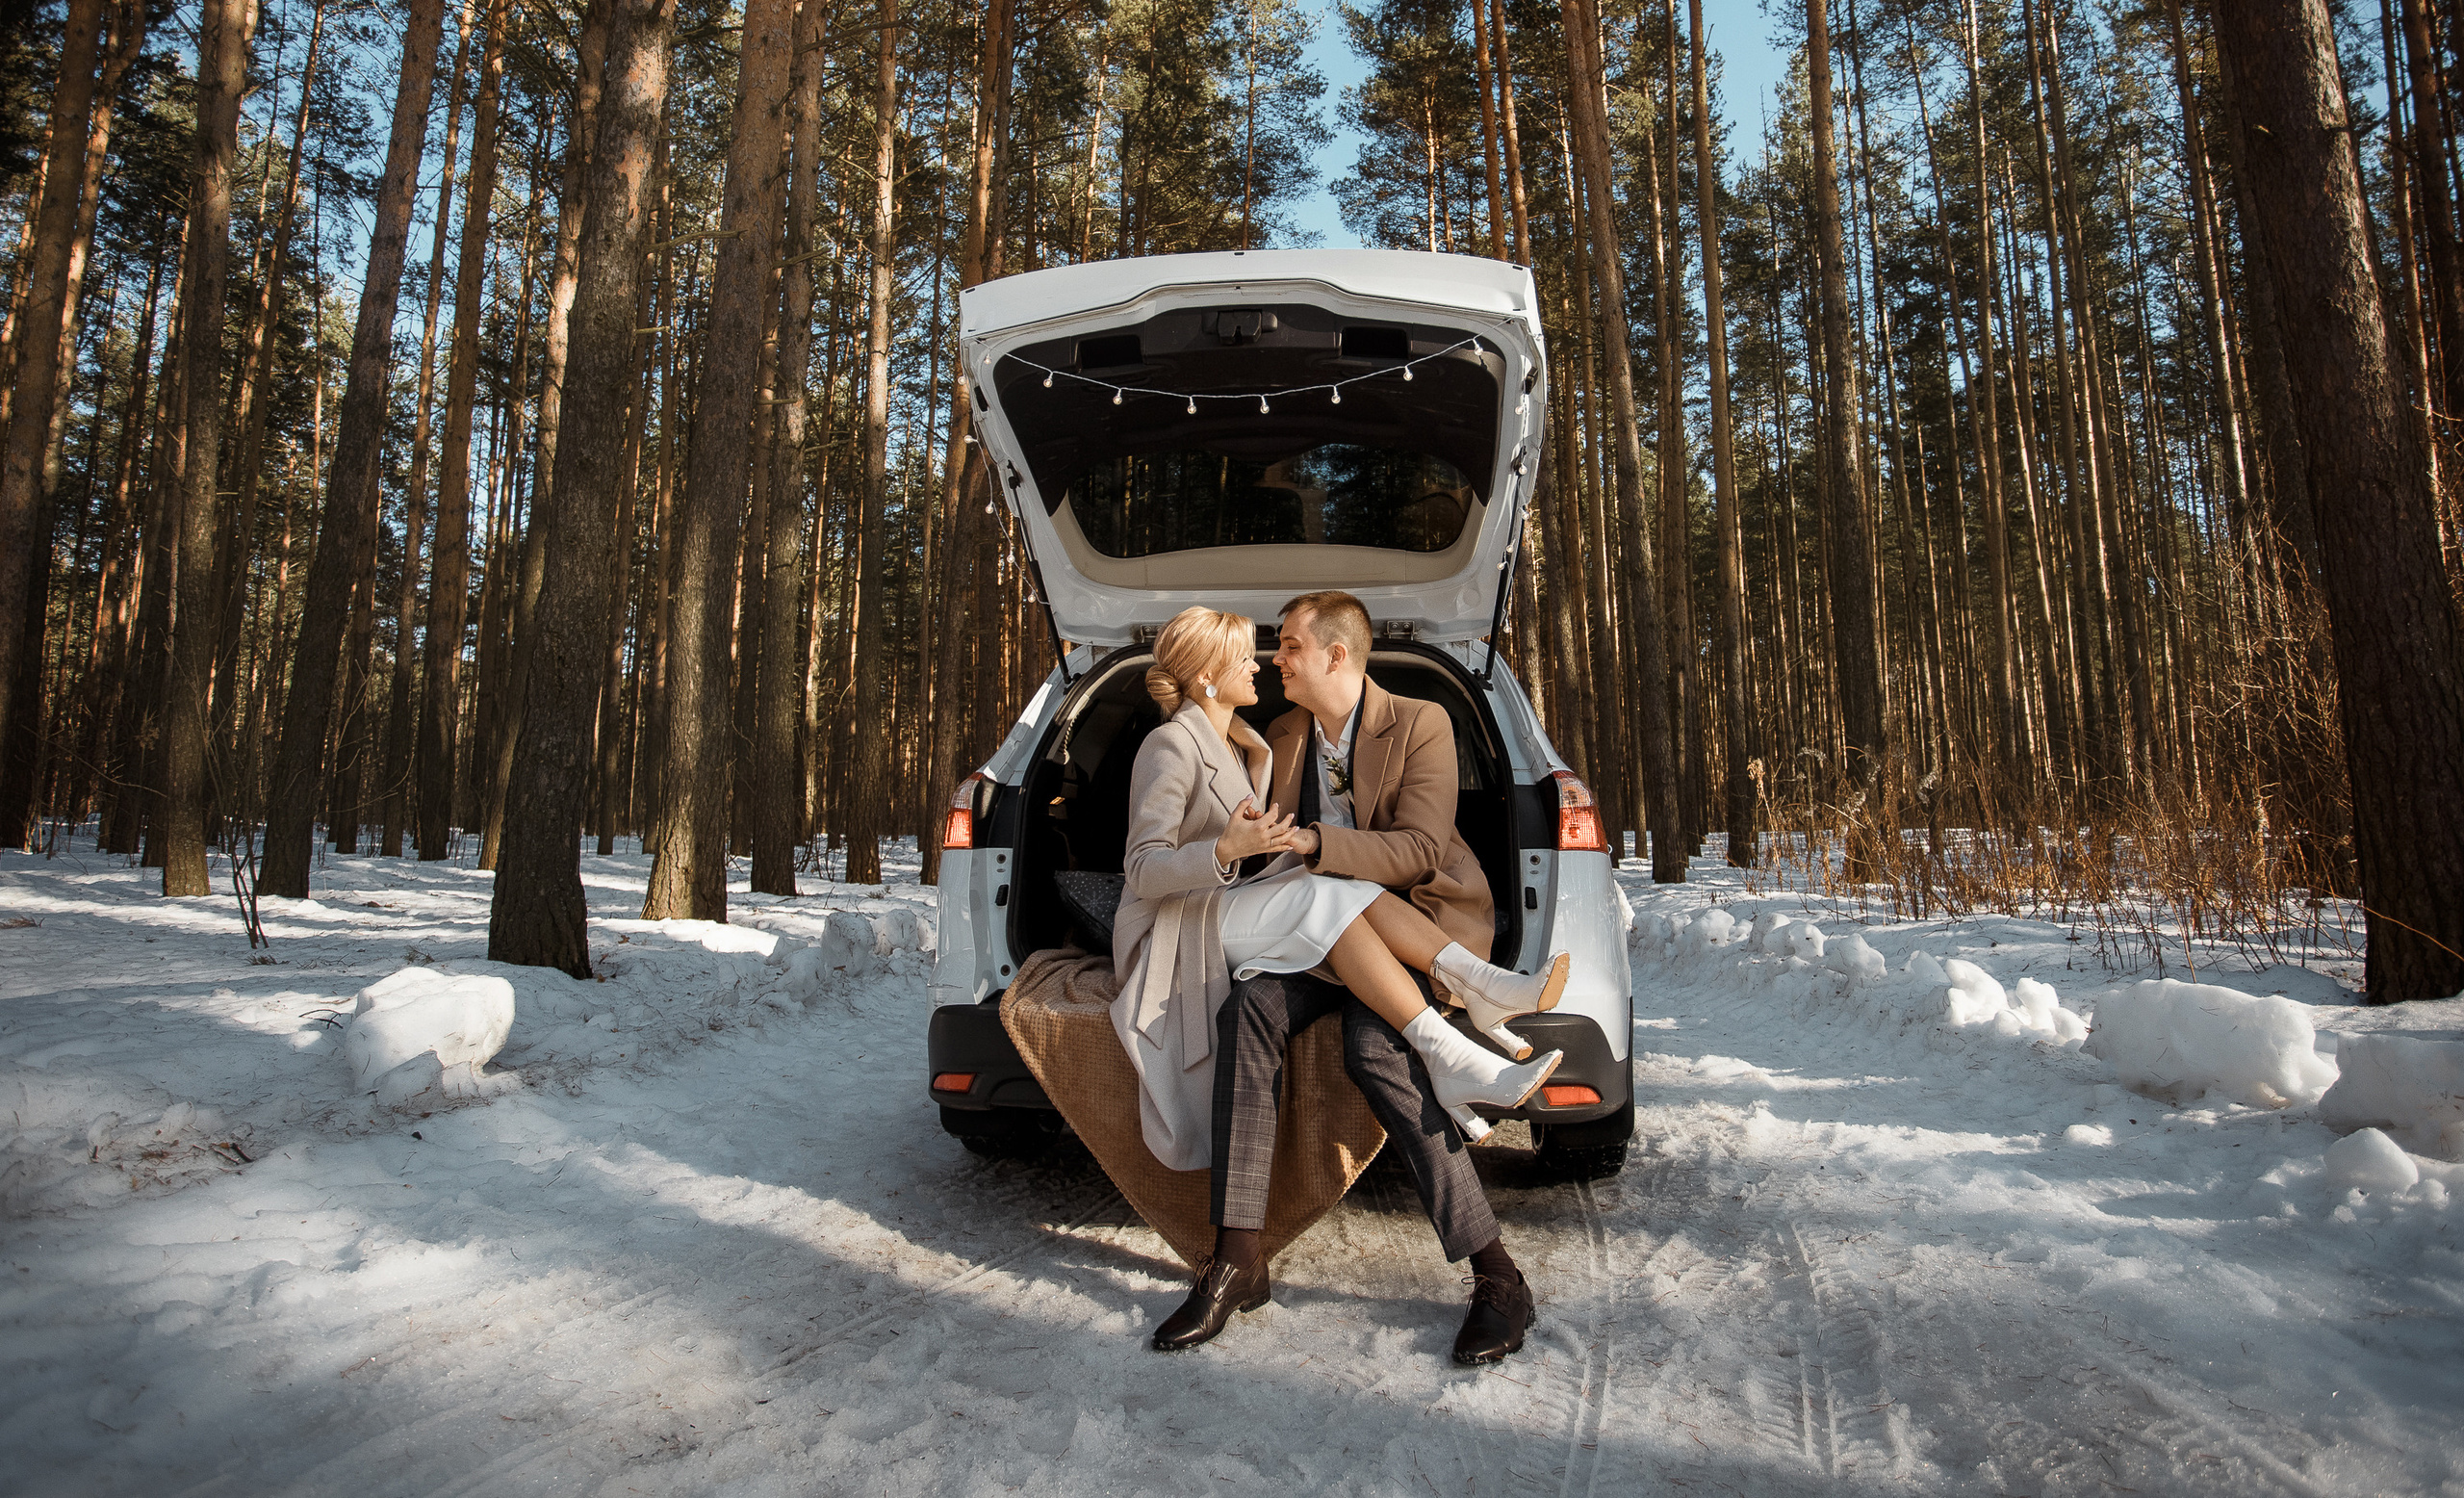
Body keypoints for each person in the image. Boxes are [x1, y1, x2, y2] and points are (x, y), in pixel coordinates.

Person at [1144, 591, 1574, 1365]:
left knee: (1376, 1050)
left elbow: (1416, 852)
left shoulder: (1421, 722)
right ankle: (1237, 1255)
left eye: (1291, 648)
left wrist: (1311, 842)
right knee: (1247, 1012)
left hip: (1415, 929)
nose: (1277, 660)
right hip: (1316, 936)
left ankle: (1498, 1276)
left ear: (1336, 656)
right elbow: (1257, 851)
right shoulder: (1275, 737)